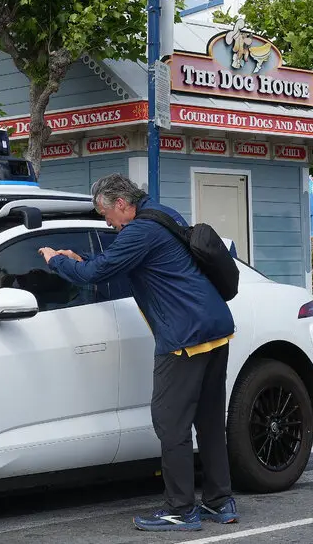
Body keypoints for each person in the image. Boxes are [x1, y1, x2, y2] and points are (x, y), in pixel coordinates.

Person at [38, 173, 237, 532]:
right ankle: (220, 502)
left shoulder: (138, 232)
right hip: (214, 326)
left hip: (184, 337)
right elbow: (123, 267)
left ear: (121, 204)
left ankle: (181, 509)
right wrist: (79, 258)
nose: (106, 222)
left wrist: (57, 261)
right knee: (208, 422)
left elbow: (97, 273)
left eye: (105, 214)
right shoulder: (163, 214)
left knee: (170, 422)